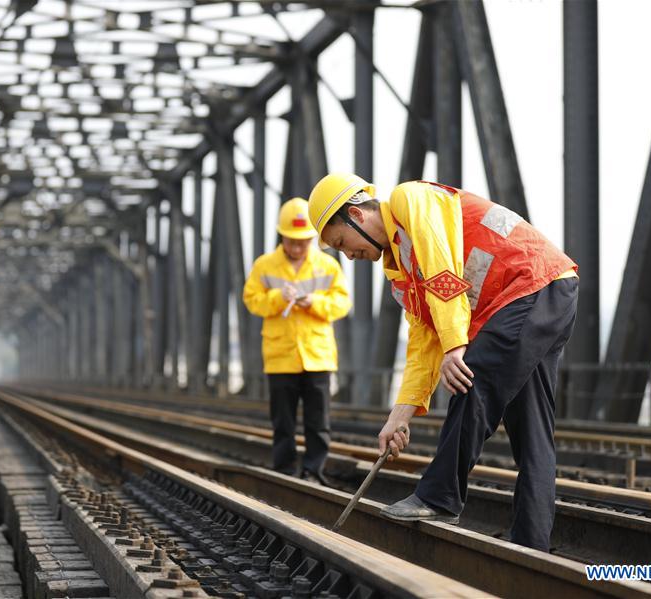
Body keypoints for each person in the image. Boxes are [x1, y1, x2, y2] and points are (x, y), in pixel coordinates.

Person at [307, 174, 577, 551]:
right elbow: (422, 341)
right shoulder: (400, 271)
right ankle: (532, 546)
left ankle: (439, 498)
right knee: (533, 436)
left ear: (356, 215)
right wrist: (399, 415)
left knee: (471, 380)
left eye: (341, 243)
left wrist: (455, 346)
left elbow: (440, 263)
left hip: (530, 281)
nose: (348, 255)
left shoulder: (407, 200)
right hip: (544, 290)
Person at [243, 197, 352, 484]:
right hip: (281, 356)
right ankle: (285, 471)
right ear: (282, 236)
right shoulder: (265, 266)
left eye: (303, 241)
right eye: (292, 240)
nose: (297, 247)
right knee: (283, 422)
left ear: (313, 238)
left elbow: (342, 304)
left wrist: (313, 302)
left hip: (317, 355)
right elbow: (252, 301)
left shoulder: (327, 266)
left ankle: (313, 471)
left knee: (318, 422)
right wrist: (279, 298)